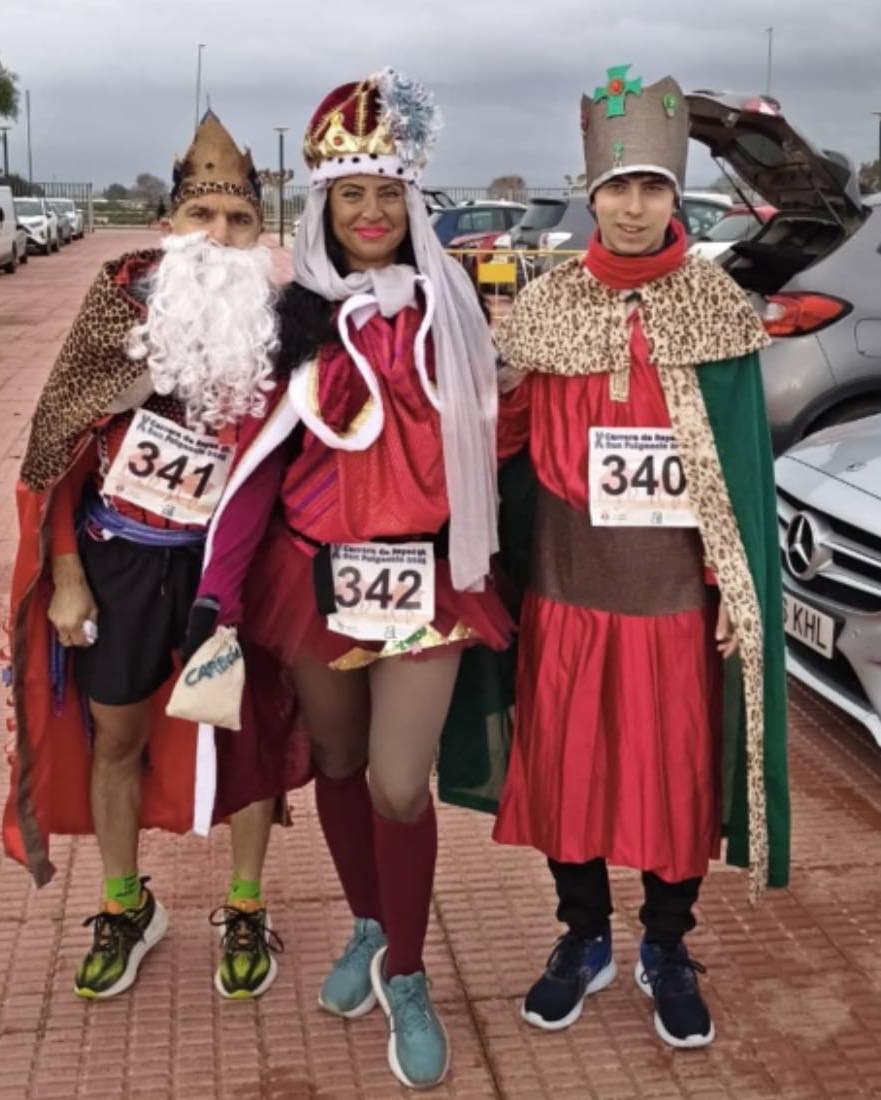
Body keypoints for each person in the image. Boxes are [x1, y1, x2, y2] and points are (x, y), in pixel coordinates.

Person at [193, 68, 510, 1089]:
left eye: (384, 193)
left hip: (423, 580)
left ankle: (407, 973)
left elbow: (497, 435)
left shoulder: (453, 309)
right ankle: (369, 924)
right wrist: (218, 591)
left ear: (409, 202)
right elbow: (253, 463)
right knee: (333, 759)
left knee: (395, 781)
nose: (368, 213)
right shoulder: (292, 317)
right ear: (323, 206)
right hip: (313, 573)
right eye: (348, 195)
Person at [487, 66, 789, 1048]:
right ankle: (583, 936)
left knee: (673, 782)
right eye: (615, 187)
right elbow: (501, 444)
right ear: (591, 194)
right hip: (567, 590)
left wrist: (731, 584)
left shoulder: (715, 307)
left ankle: (665, 943)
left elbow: (740, 459)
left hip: (671, 598)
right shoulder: (543, 305)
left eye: (650, 186)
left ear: (673, 196)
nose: (630, 205)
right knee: (565, 776)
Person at [3, 111, 302, 1001]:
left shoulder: (280, 324)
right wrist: (63, 574)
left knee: (246, 733)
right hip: (119, 562)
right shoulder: (118, 307)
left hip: (233, 568)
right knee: (116, 736)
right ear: (170, 225)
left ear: (260, 235)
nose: (218, 238)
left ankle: (245, 905)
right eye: (202, 218)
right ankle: (126, 903)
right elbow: (54, 448)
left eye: (238, 222)